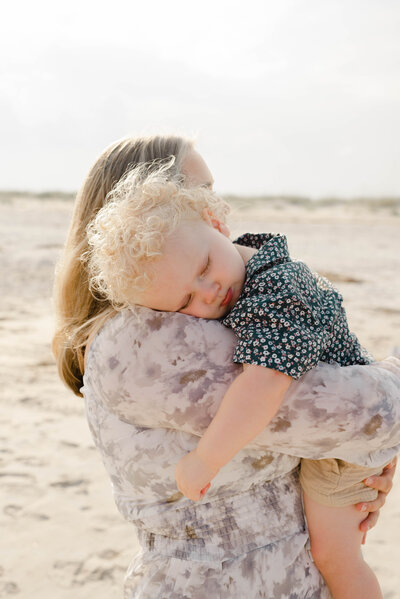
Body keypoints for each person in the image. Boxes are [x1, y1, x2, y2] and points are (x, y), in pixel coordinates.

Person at [53, 135, 399, 599]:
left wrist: (359, 462)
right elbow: (355, 414)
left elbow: (334, 424)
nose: (220, 205)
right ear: (157, 211)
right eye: (202, 189)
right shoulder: (147, 337)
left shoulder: (223, 299)